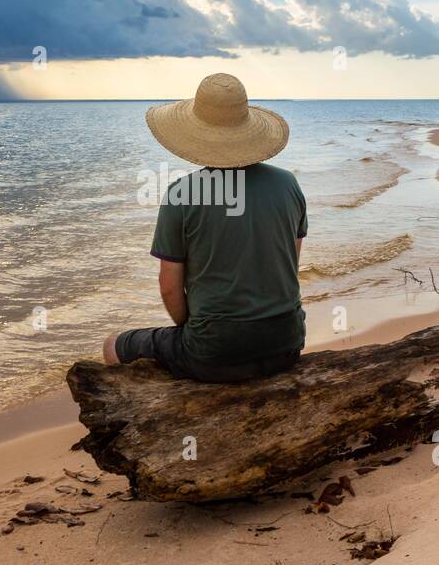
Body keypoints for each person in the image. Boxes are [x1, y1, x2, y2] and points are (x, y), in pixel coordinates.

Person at [103, 73, 307, 382]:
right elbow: (290, 263)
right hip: (287, 345)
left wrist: (191, 329)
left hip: (214, 354)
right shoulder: (287, 183)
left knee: (111, 346)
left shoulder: (182, 194)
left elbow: (169, 286)